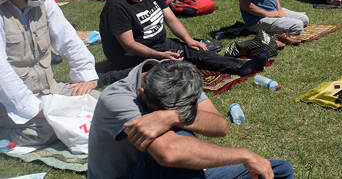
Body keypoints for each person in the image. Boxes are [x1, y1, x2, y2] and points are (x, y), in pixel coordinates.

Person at [88, 59, 293, 179]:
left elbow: (220, 126)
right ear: (142, 92)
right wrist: (244, 155)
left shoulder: (180, 78)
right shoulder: (117, 99)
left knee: (277, 170)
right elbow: (169, 153)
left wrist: (173, 115)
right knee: (181, 140)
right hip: (131, 174)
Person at [99, 0, 266, 81]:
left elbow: (171, 19)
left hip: (160, 44)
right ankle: (107, 77)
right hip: (131, 56)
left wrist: (188, 39)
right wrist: (159, 55)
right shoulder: (116, 6)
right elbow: (129, 45)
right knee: (174, 72)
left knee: (196, 51)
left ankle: (242, 67)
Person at [0, 0, 99, 146]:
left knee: (99, 102)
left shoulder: (43, 4)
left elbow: (68, 39)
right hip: (9, 103)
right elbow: (2, 72)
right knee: (46, 129)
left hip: (49, 89)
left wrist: (86, 76)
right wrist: (33, 108)